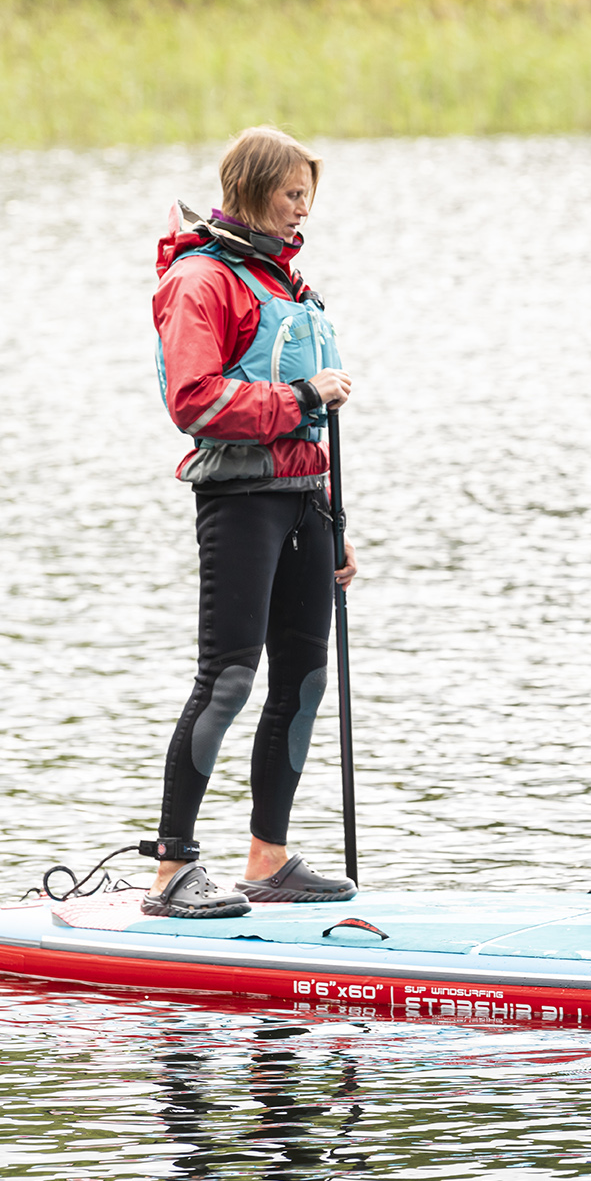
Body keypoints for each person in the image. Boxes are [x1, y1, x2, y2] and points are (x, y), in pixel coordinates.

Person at [143, 126, 361, 918]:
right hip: (239, 502)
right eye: (292, 193)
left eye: (308, 195)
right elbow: (193, 400)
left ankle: (268, 859)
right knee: (229, 678)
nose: (304, 209)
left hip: (305, 500)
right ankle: (171, 871)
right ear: (253, 189)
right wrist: (302, 396)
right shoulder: (201, 280)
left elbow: (310, 429)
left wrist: (334, 522)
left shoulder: (287, 285)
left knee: (303, 679)